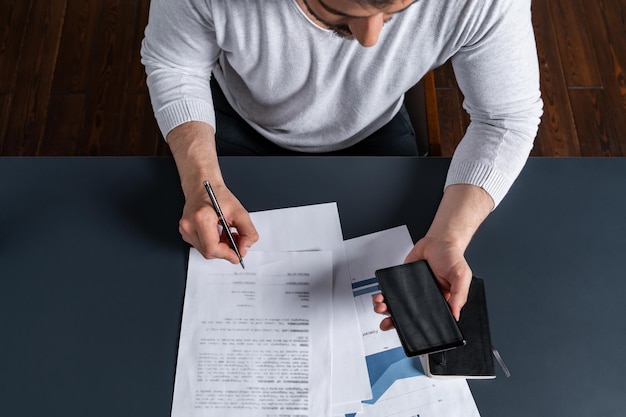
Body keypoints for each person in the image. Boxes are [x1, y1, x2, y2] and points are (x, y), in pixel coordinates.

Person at [141, 0, 542, 327]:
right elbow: (174, 64)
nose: (370, 40)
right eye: (337, 12)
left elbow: (505, 118)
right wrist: (200, 181)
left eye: (392, 11)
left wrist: (449, 238)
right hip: (237, 117)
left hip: (376, 129)